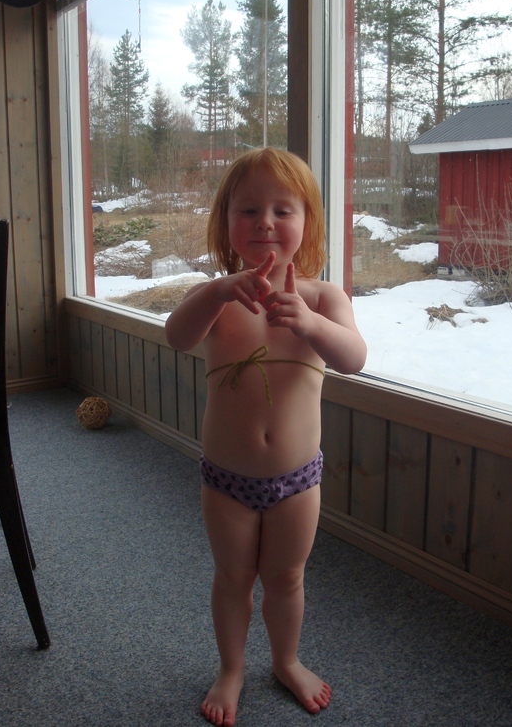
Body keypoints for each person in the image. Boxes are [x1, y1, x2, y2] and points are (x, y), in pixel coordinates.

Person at [165, 147, 366, 726]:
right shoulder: (217, 297)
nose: (265, 223)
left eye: (283, 210)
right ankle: (231, 669)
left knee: (286, 578)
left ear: (308, 222)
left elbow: (353, 358)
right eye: (248, 210)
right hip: (226, 480)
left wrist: (310, 322)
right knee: (233, 578)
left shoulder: (324, 298)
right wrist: (215, 292)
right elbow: (178, 337)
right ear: (226, 222)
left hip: (297, 481)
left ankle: (285, 660)